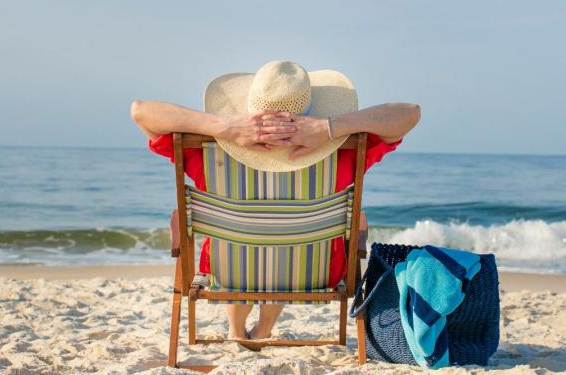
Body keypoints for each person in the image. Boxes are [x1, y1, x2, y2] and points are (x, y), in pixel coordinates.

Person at [131, 60, 420, 341]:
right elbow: (410, 114)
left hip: (225, 270)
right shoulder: (344, 153)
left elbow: (141, 111)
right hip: (311, 274)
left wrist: (225, 128)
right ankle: (264, 329)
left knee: (242, 247)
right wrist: (329, 128)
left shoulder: (205, 153)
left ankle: (235, 331)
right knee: (290, 244)